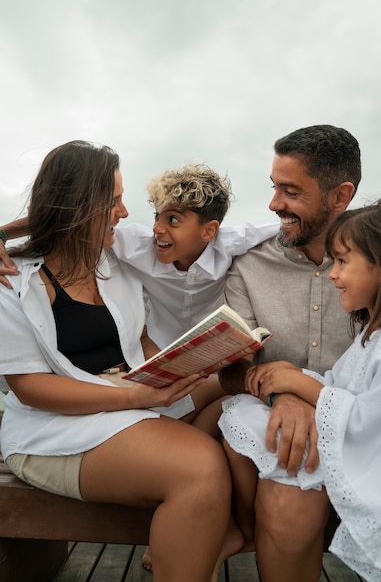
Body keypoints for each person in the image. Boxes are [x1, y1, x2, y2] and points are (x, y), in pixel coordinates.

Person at [0, 140, 232, 582]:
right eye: (113, 202)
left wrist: (175, 367)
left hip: (129, 397)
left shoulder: (115, 261)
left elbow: (138, 340)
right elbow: (31, 388)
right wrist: (138, 398)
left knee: (233, 390)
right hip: (54, 427)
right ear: (76, 207)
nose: (125, 214)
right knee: (200, 468)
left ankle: (206, 537)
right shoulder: (12, 282)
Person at [219, 197, 381, 582]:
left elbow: (369, 423)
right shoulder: (374, 336)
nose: (333, 274)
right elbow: (344, 386)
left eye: (343, 262)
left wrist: (301, 384)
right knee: (248, 421)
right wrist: (294, 376)